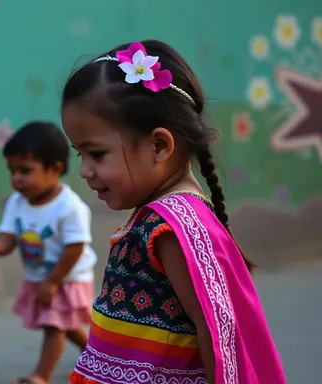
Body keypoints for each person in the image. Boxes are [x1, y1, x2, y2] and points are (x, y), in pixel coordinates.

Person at [61, 40, 287, 384]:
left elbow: (218, 334)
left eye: (97, 154)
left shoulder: (172, 225)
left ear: (159, 145)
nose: (85, 171)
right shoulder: (162, 216)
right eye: (80, 155)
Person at [0, 121, 97, 384]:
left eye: (25, 170)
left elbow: (76, 248)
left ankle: (41, 376)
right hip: (42, 277)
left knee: (54, 326)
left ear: (55, 169)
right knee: (67, 325)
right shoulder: (18, 202)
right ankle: (98, 357)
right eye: (12, 170)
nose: (16, 178)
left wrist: (52, 281)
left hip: (68, 277)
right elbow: (8, 238)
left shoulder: (69, 208)